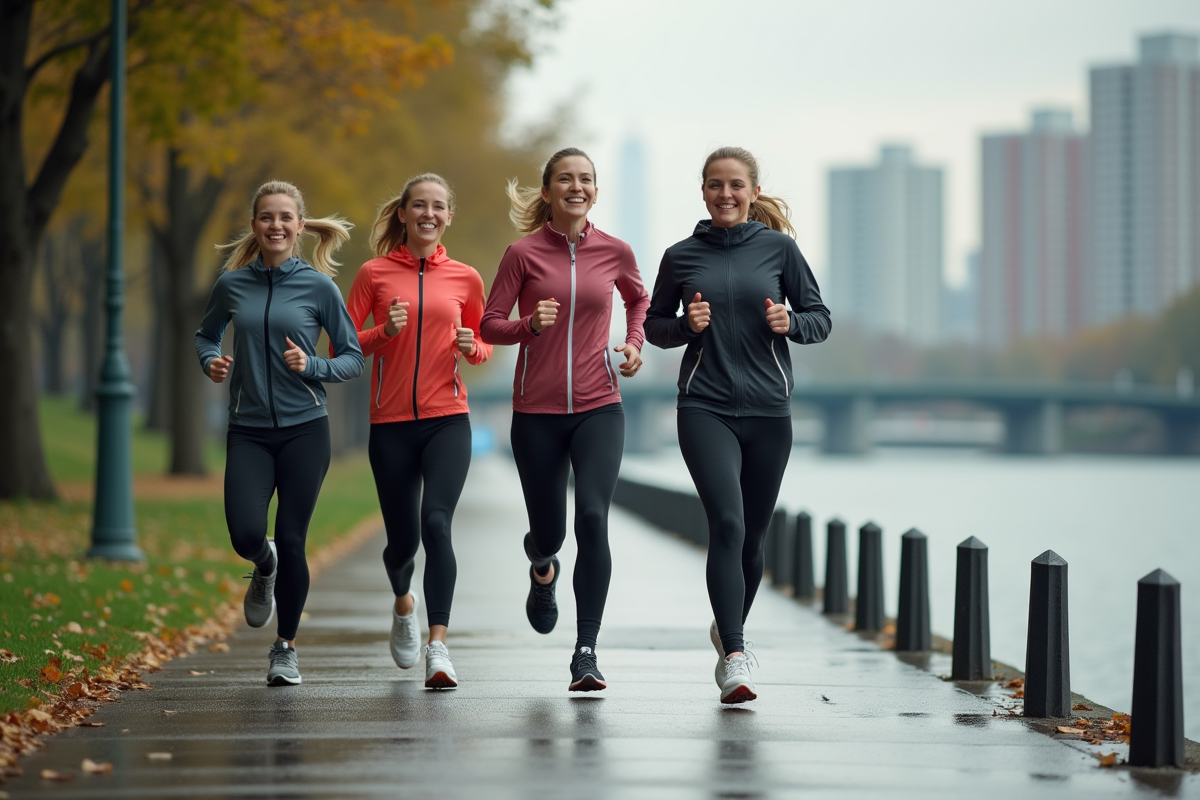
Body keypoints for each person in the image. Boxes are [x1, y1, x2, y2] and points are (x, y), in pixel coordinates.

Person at [644, 147, 831, 704]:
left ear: (751, 192)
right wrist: (685, 324)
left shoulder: (780, 250)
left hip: (770, 412)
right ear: (702, 191)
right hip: (704, 407)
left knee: (753, 536)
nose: (725, 194)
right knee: (726, 521)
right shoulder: (680, 256)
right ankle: (734, 654)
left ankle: (727, 626)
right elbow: (654, 326)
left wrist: (789, 321)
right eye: (715, 185)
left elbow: (820, 319)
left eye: (736, 186)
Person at [481, 147, 649, 692]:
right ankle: (542, 568)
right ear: (548, 191)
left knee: (593, 518)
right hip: (536, 413)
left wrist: (633, 341)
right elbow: (489, 325)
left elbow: (638, 300)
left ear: (595, 191)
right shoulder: (521, 254)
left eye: (586, 180)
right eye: (565, 179)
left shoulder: (615, 251)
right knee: (549, 531)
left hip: (601, 406)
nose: (577, 187)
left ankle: (586, 651)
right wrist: (528, 325)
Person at [196, 180, 364, 687]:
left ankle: (285, 648)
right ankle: (261, 563)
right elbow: (206, 335)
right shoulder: (232, 285)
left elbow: (352, 356)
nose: (276, 225)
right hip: (247, 430)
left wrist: (311, 364)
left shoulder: (319, 287)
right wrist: (212, 362)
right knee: (247, 534)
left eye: (285, 217)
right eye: (267, 217)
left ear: (299, 225)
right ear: (255, 226)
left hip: (305, 431)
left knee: (294, 538)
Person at [345, 173, 492, 689]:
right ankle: (403, 604)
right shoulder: (374, 273)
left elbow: (481, 342)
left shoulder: (466, 278)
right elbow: (344, 344)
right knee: (402, 543)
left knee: (437, 523)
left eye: (438, 207)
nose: (428, 214)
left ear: (449, 216)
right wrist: (382, 333)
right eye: (419, 206)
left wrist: (473, 348)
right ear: (403, 214)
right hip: (389, 426)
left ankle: (439, 647)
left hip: (448, 419)